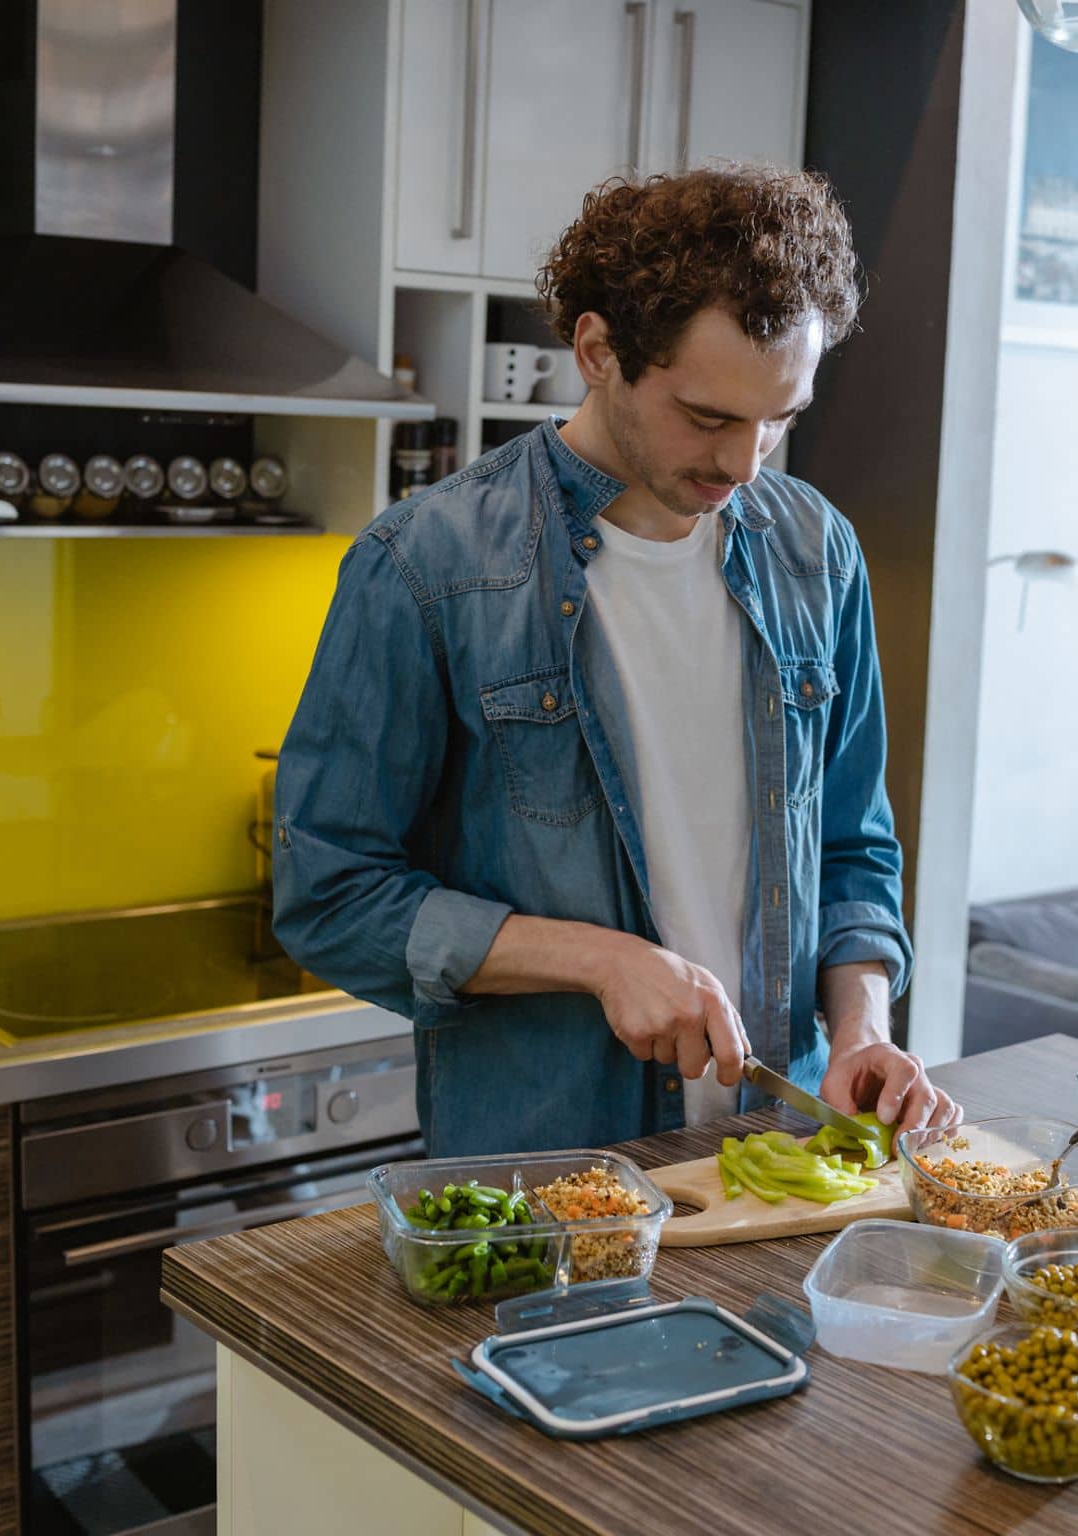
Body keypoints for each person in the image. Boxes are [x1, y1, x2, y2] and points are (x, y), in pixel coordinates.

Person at [273, 165, 957, 1155]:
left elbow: (852, 847)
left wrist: (863, 1026)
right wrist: (598, 960)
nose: (744, 462)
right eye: (708, 417)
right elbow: (329, 897)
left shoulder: (817, 551)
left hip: (784, 1155)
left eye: (781, 418)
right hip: (554, 1178)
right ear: (597, 351)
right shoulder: (426, 565)